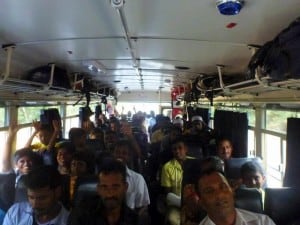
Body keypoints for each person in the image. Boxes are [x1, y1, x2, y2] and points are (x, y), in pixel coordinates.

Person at [67, 158, 138, 225]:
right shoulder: (82, 214)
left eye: (115, 187)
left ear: (125, 187)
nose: (109, 193)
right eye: (104, 187)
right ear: (98, 189)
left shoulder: (134, 220)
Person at [195, 169, 276, 225]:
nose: (219, 195)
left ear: (232, 192)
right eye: (209, 191)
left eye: (223, 187)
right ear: (202, 203)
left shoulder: (262, 222)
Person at [3, 165, 69, 225]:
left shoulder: (69, 221)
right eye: (31, 197)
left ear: (57, 192)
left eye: (42, 198)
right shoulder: (16, 212)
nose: (35, 204)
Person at [113, 140, 150, 214]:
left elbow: (142, 207)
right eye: (117, 152)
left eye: (124, 153)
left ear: (129, 157)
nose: (120, 155)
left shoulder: (137, 179)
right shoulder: (104, 177)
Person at [160, 137, 191, 225]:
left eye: (180, 148)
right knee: (173, 219)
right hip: (176, 203)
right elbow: (168, 194)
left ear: (186, 149)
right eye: (174, 149)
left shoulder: (195, 163)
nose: (177, 151)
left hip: (194, 202)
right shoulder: (167, 167)